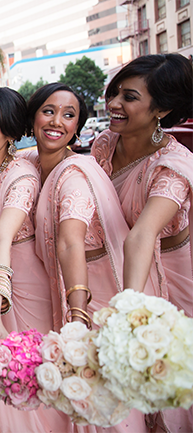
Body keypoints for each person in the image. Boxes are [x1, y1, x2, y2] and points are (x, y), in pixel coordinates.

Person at [29, 83, 148, 433]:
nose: (56, 122)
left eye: (69, 115)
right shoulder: (32, 164)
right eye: (48, 111)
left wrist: (77, 317)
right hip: (66, 285)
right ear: (33, 116)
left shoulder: (74, 175)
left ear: (77, 127)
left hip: (93, 291)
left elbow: (70, 242)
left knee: (104, 393)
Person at [90, 53, 193, 432]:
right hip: (118, 276)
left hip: (173, 289)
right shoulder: (104, 144)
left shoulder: (173, 167)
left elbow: (141, 235)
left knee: (166, 381)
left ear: (162, 109)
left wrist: (128, 318)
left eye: (129, 97)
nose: (114, 103)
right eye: (114, 92)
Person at [0, 89, 71, 433]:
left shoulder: (21, 176)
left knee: (28, 377)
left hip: (22, 286)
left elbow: (2, 239)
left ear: (12, 132)